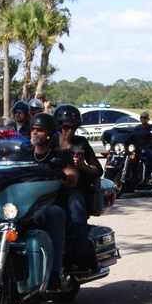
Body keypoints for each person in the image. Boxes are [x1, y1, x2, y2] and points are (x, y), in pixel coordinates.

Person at [28, 112, 78, 291]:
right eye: (33, 129)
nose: (35, 132)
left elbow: (72, 175)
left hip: (48, 204)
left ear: (49, 133)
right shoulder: (24, 155)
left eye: (40, 130)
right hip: (23, 205)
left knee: (55, 214)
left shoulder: (59, 156)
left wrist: (66, 176)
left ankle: (55, 272)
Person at [53, 104, 102, 269]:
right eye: (66, 126)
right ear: (58, 126)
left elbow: (98, 169)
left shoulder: (81, 143)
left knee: (76, 206)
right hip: (50, 188)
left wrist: (82, 166)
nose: (70, 130)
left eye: (74, 127)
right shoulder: (50, 142)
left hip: (74, 189)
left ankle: (82, 256)